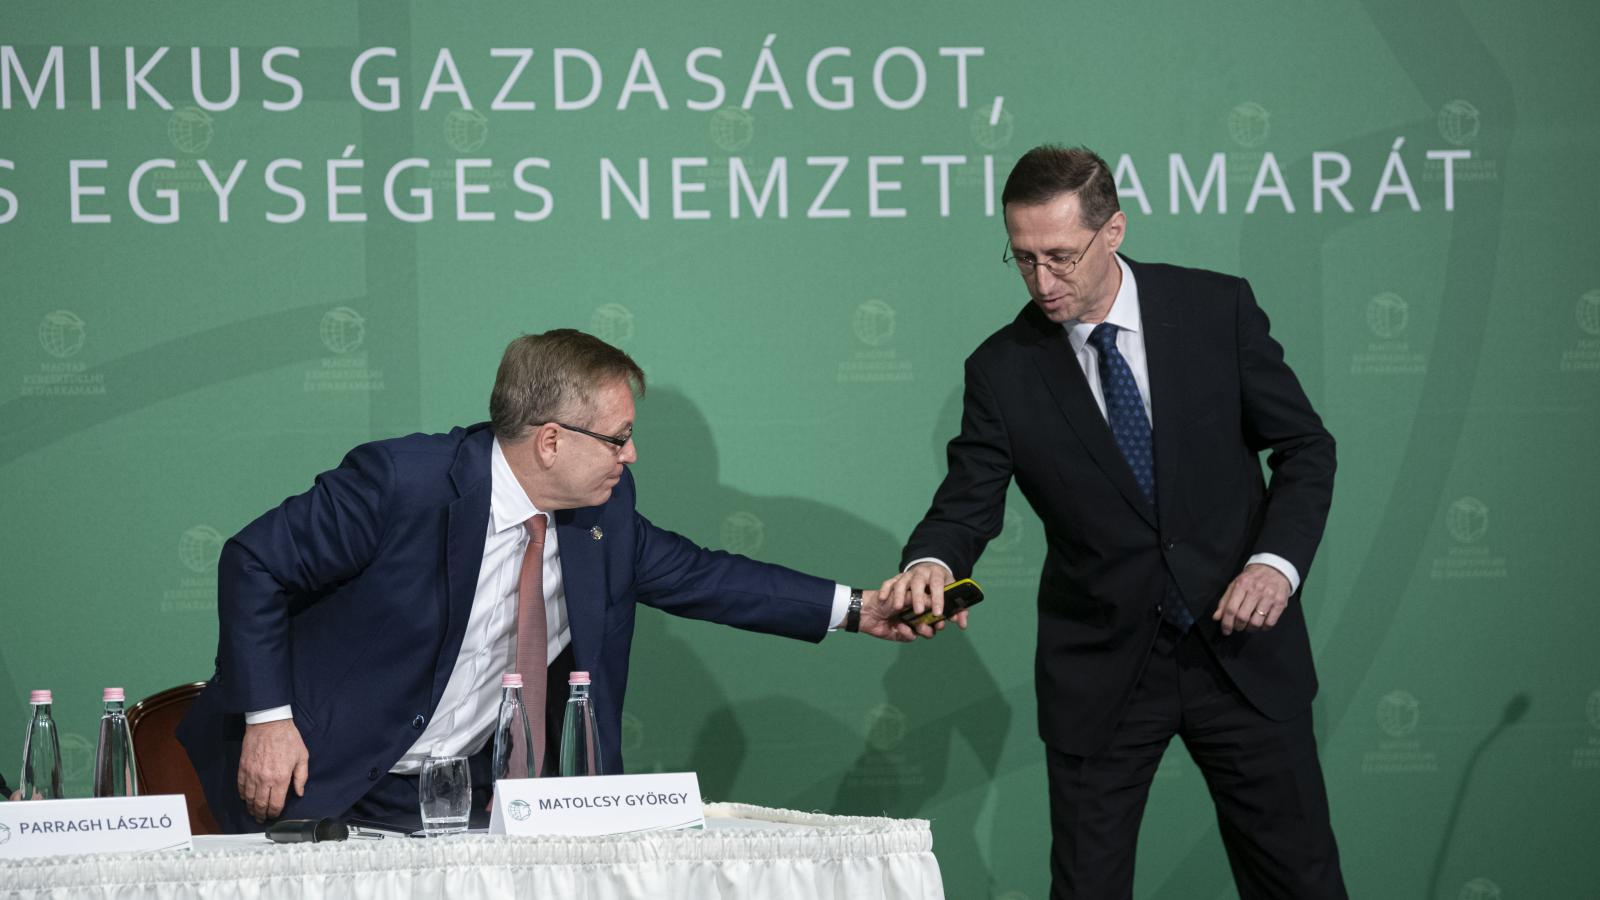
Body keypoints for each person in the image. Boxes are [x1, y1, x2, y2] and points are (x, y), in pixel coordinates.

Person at [179, 329, 925, 833]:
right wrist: (268, 720)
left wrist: (857, 609)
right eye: (619, 438)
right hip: (323, 780)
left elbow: (706, 576)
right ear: (550, 441)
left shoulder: (603, 514)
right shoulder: (402, 483)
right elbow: (254, 561)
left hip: (470, 802)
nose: (630, 456)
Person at [880, 145, 1347, 898]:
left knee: (1300, 881)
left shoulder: (1216, 310)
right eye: (1023, 258)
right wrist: (931, 561)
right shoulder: (1002, 369)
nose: (1042, 281)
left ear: (1114, 231)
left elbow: (1305, 448)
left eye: (1061, 257)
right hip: (1103, 669)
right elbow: (968, 498)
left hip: (1242, 651)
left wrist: (1275, 565)